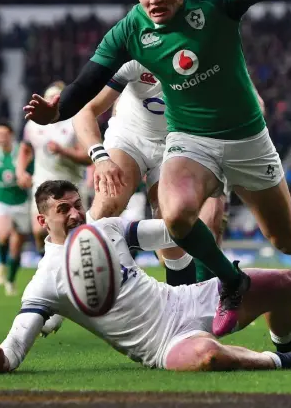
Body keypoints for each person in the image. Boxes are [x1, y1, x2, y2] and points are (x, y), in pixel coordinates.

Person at [23, 0, 291, 337]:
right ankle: (231, 282)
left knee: (282, 237)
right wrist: (56, 111)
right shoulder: (132, 28)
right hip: (188, 140)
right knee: (175, 215)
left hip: (246, 137)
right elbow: (87, 83)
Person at [0, 180, 291, 375]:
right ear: (43, 221)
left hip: (185, 300)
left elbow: (171, 232)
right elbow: (15, 346)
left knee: (284, 284)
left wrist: (189, 215)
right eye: (64, 209)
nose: (77, 213)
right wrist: (0, 360)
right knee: (208, 357)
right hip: (162, 344)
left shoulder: (107, 228)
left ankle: (288, 341)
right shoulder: (44, 281)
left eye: (78, 204)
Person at [73, 59, 228, 284]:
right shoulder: (136, 56)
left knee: (173, 224)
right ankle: (63, 281)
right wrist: (101, 158)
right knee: (108, 204)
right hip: (129, 137)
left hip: (177, 141)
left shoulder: (207, 61)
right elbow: (85, 110)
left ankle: (184, 305)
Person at [16, 81, 91, 257]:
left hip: (71, 185)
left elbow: (87, 158)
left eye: (54, 98)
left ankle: (71, 269)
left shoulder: (75, 122)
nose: (50, 102)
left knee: (74, 233)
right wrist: (21, 172)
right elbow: (25, 149)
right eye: (48, 98)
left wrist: (63, 151)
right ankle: (51, 262)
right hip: (42, 182)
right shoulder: (33, 124)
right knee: (40, 231)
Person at [0, 122, 33, 296]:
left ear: (11, 135)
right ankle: (1, 264)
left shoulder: (22, 153)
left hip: (20, 202)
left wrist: (27, 180)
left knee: (16, 246)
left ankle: (11, 280)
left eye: (4, 134)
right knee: (4, 234)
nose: (1, 137)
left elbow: (32, 174)